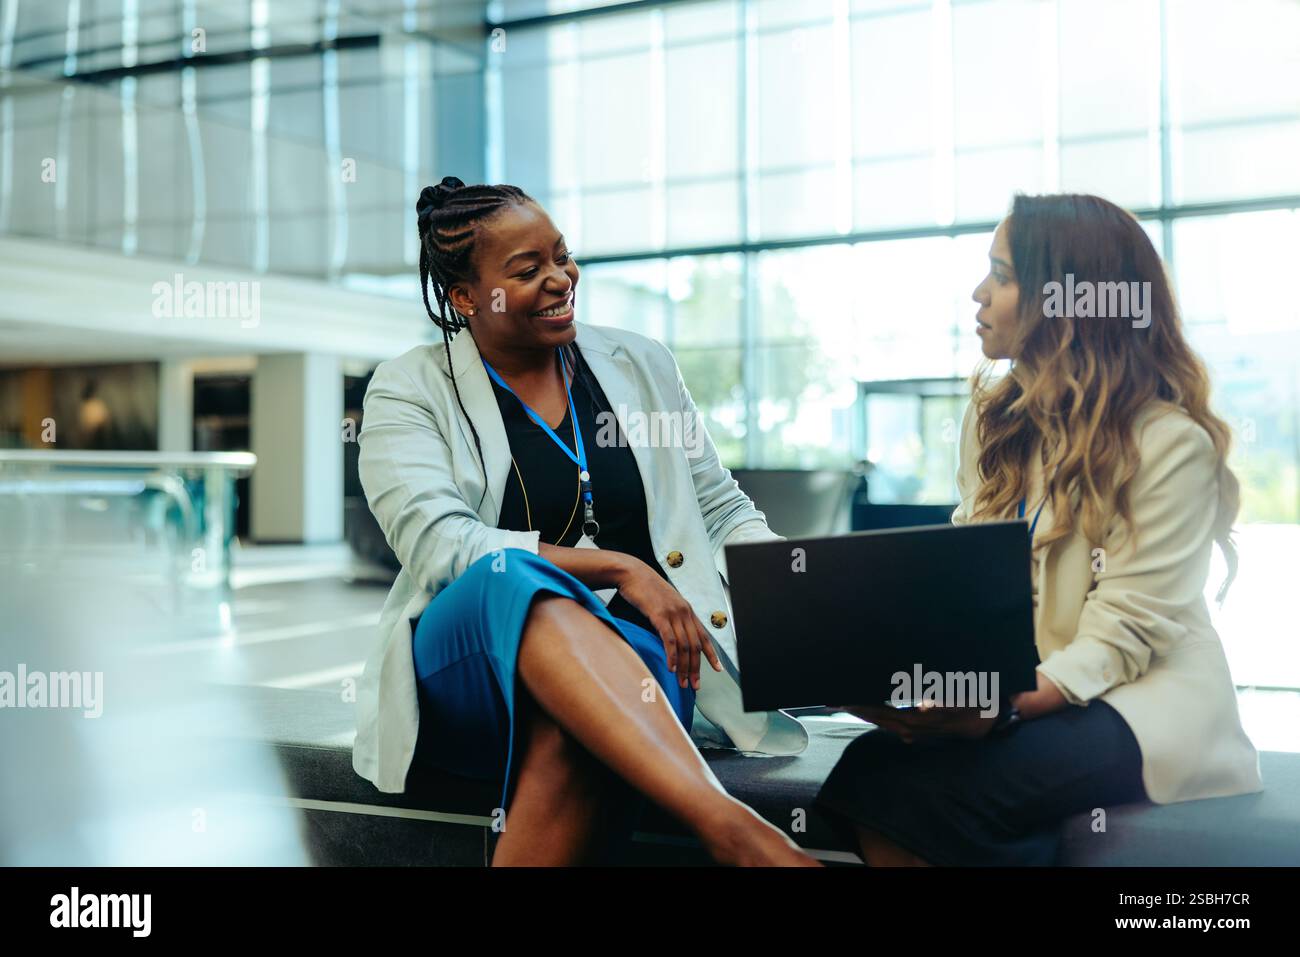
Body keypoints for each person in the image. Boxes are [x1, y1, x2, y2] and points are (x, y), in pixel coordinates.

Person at [353, 176, 815, 866]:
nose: (560, 278)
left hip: (640, 654)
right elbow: (444, 545)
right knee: (514, 578)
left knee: (580, 728)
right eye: (527, 269)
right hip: (474, 662)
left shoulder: (641, 364)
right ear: (465, 297)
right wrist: (619, 565)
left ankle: (741, 839)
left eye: (562, 256)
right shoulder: (408, 387)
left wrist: (808, 587)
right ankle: (735, 830)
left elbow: (718, 508)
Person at [815, 192, 1262, 866]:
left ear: (1065, 299)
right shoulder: (995, 422)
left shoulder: (1171, 444)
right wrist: (919, 679)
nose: (978, 294)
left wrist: (999, 707)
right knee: (871, 765)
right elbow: (972, 586)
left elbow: (1124, 634)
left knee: (919, 789)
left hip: (1140, 703)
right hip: (1026, 685)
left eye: (1000, 275)